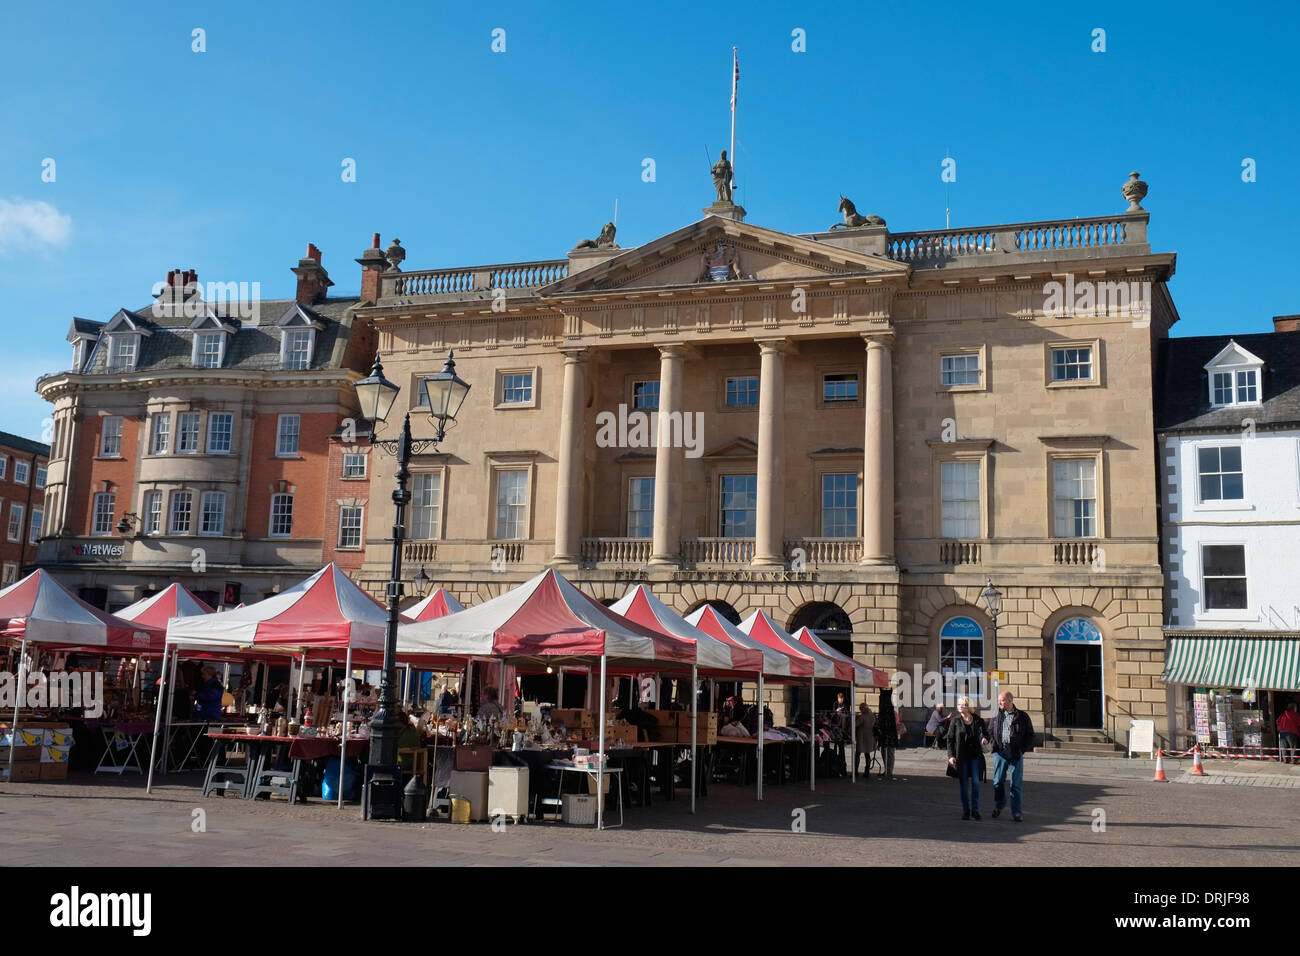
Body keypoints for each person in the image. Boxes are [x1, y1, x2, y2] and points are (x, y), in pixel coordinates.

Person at [988, 690, 1035, 821]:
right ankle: (1000, 804)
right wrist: (993, 744)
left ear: (1010, 701)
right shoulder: (996, 714)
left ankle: (1016, 812)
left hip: (1015, 753)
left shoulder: (1022, 716)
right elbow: (990, 730)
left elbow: (1030, 735)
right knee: (997, 781)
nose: (999, 702)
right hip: (1000, 752)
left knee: (1015, 784)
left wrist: (1021, 750)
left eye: (1002, 700)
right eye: (999, 700)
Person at [947, 696, 988, 819]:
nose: (960, 706)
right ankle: (966, 810)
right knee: (964, 784)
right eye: (959, 704)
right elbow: (950, 739)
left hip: (975, 756)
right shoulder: (955, 721)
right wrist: (951, 756)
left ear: (969, 707)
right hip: (961, 757)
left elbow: (983, 733)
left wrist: (984, 739)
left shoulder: (978, 720)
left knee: (975, 783)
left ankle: (975, 810)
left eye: (963, 704)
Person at [876, 687, 900, 779]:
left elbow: (896, 723)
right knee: (888, 754)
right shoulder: (891, 712)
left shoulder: (892, 713)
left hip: (889, 735)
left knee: (889, 754)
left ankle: (889, 770)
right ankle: (888, 770)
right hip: (890, 735)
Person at [854, 701, 876, 780]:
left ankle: (855, 772)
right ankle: (867, 772)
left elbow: (855, 724)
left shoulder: (863, 717)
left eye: (860, 709)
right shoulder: (872, 716)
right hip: (870, 736)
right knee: (867, 755)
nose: (860, 711)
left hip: (862, 737)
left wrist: (856, 718)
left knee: (857, 754)